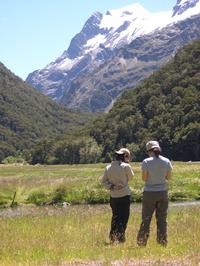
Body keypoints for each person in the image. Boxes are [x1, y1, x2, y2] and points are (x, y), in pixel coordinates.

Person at [137, 141, 172, 247]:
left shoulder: (146, 162)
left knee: (146, 218)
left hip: (149, 193)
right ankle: (162, 242)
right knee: (162, 219)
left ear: (148, 151)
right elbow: (169, 177)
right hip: (163, 192)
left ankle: (142, 242)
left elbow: (144, 179)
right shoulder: (166, 161)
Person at [101, 148, 134, 244]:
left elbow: (103, 182)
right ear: (123, 157)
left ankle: (112, 237)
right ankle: (121, 238)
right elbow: (131, 177)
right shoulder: (126, 166)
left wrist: (112, 186)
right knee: (124, 217)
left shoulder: (108, 167)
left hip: (113, 196)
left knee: (115, 217)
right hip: (124, 195)